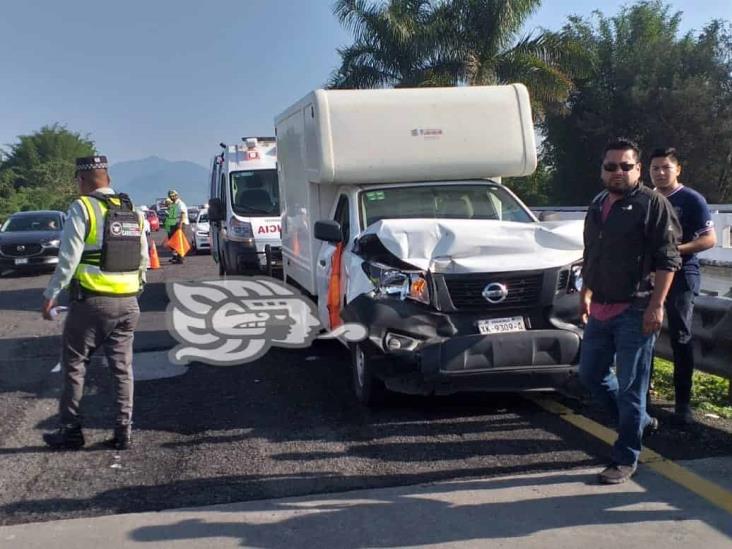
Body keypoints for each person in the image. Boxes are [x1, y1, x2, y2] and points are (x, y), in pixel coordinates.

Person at [579, 138, 681, 484]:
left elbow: (669, 259)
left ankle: (625, 457)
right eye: (611, 166)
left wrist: (657, 306)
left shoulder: (653, 205)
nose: (618, 172)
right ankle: (637, 423)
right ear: (602, 170)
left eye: (626, 166)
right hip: (601, 308)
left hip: (636, 309)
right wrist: (585, 292)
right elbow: (592, 253)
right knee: (590, 375)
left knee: (631, 388)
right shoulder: (596, 205)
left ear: (638, 169)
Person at [41, 155, 148, 451]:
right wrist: (135, 291)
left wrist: (51, 294)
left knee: (75, 365)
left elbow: (68, 259)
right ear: (109, 180)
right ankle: (123, 430)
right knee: (122, 368)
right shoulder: (133, 211)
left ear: (82, 181)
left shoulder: (83, 207)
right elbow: (143, 260)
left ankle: (71, 431)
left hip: (92, 302)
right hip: (128, 303)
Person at [649, 147, 716, 425]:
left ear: (678, 169)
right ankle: (641, 397)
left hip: (682, 275)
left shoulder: (691, 200)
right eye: (655, 168)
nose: (661, 173)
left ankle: (682, 403)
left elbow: (709, 239)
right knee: (643, 334)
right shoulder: (646, 198)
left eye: (666, 167)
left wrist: (676, 250)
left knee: (681, 336)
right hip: (648, 276)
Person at [163, 189, 188, 263]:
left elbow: (183, 214)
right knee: (173, 242)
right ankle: (176, 256)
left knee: (179, 241)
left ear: (176, 196)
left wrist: (180, 224)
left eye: (173, 196)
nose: (171, 197)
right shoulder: (173, 204)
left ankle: (180, 258)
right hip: (173, 224)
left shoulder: (180, 203)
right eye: (170, 196)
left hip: (179, 224)